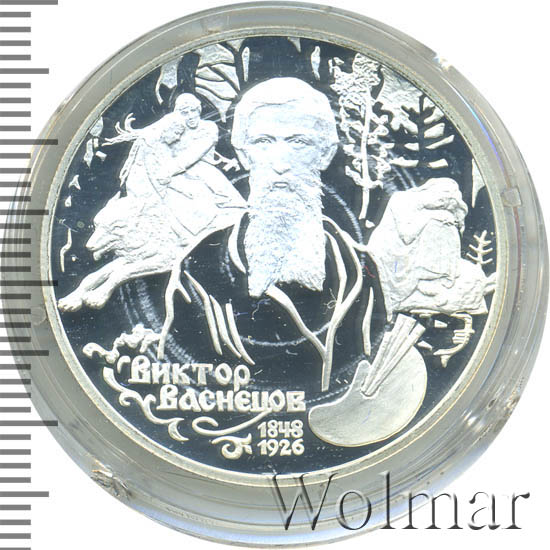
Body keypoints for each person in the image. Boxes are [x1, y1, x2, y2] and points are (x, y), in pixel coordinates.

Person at [231, 77, 339, 298]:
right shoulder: (195, 269)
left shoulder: (357, 267)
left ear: (326, 153)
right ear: (243, 155)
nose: (280, 164)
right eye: (263, 141)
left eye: (299, 142)